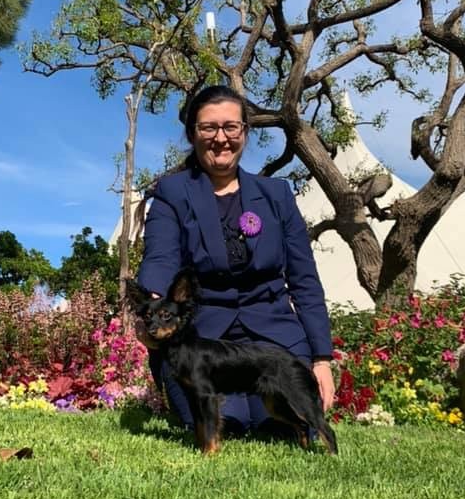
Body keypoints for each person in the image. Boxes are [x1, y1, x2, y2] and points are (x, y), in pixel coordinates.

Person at [136, 84, 335, 437]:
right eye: (208, 127)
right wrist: (154, 308)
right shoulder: (171, 193)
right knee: (227, 425)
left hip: (273, 338)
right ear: (192, 134)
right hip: (203, 342)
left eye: (231, 127)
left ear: (245, 132)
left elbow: (304, 278)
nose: (221, 138)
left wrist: (321, 358)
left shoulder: (277, 195)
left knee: (281, 425)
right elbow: (160, 257)